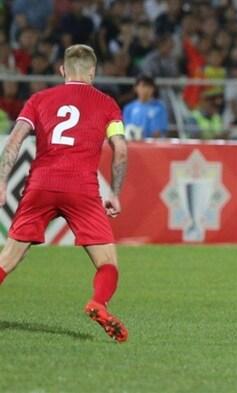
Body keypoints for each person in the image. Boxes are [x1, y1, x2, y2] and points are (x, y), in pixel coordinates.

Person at [0, 44, 129, 342]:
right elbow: (120, 149)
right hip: (82, 189)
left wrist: (3, 181)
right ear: (93, 73)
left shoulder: (39, 99)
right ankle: (98, 302)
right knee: (107, 263)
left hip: (40, 184)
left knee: (8, 258)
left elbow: (15, 141)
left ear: (62, 71)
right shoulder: (107, 103)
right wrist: (116, 192)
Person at [123, 74, 168, 139]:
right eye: (143, 86)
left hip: (151, 145)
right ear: (135, 88)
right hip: (132, 144)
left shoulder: (160, 107)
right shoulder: (128, 108)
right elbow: (126, 130)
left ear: (153, 89)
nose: (146, 89)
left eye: (149, 86)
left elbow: (158, 132)